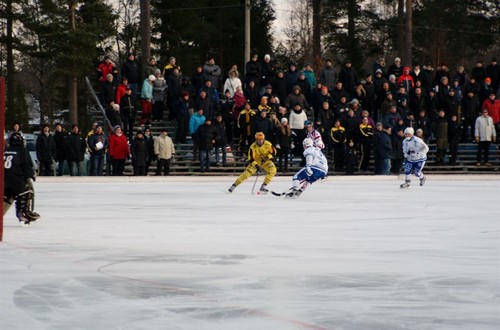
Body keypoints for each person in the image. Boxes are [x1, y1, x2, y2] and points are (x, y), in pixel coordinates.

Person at [3, 133, 40, 225]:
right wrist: (31, 175)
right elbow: (26, 165)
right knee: (27, 190)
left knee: (7, 195)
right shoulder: (22, 151)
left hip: (3, 180)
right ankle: (23, 213)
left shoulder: (5, 150)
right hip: (16, 179)